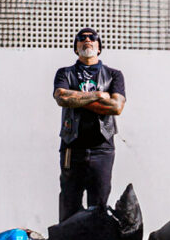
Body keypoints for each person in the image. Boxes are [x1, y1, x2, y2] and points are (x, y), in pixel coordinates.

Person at [53, 28, 126, 222]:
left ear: (99, 47)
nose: (87, 40)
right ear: (76, 48)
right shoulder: (65, 73)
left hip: (102, 148)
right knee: (69, 202)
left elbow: (116, 107)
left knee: (99, 204)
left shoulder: (113, 75)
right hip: (72, 146)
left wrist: (77, 97)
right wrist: (98, 96)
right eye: (81, 38)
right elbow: (62, 98)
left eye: (92, 38)